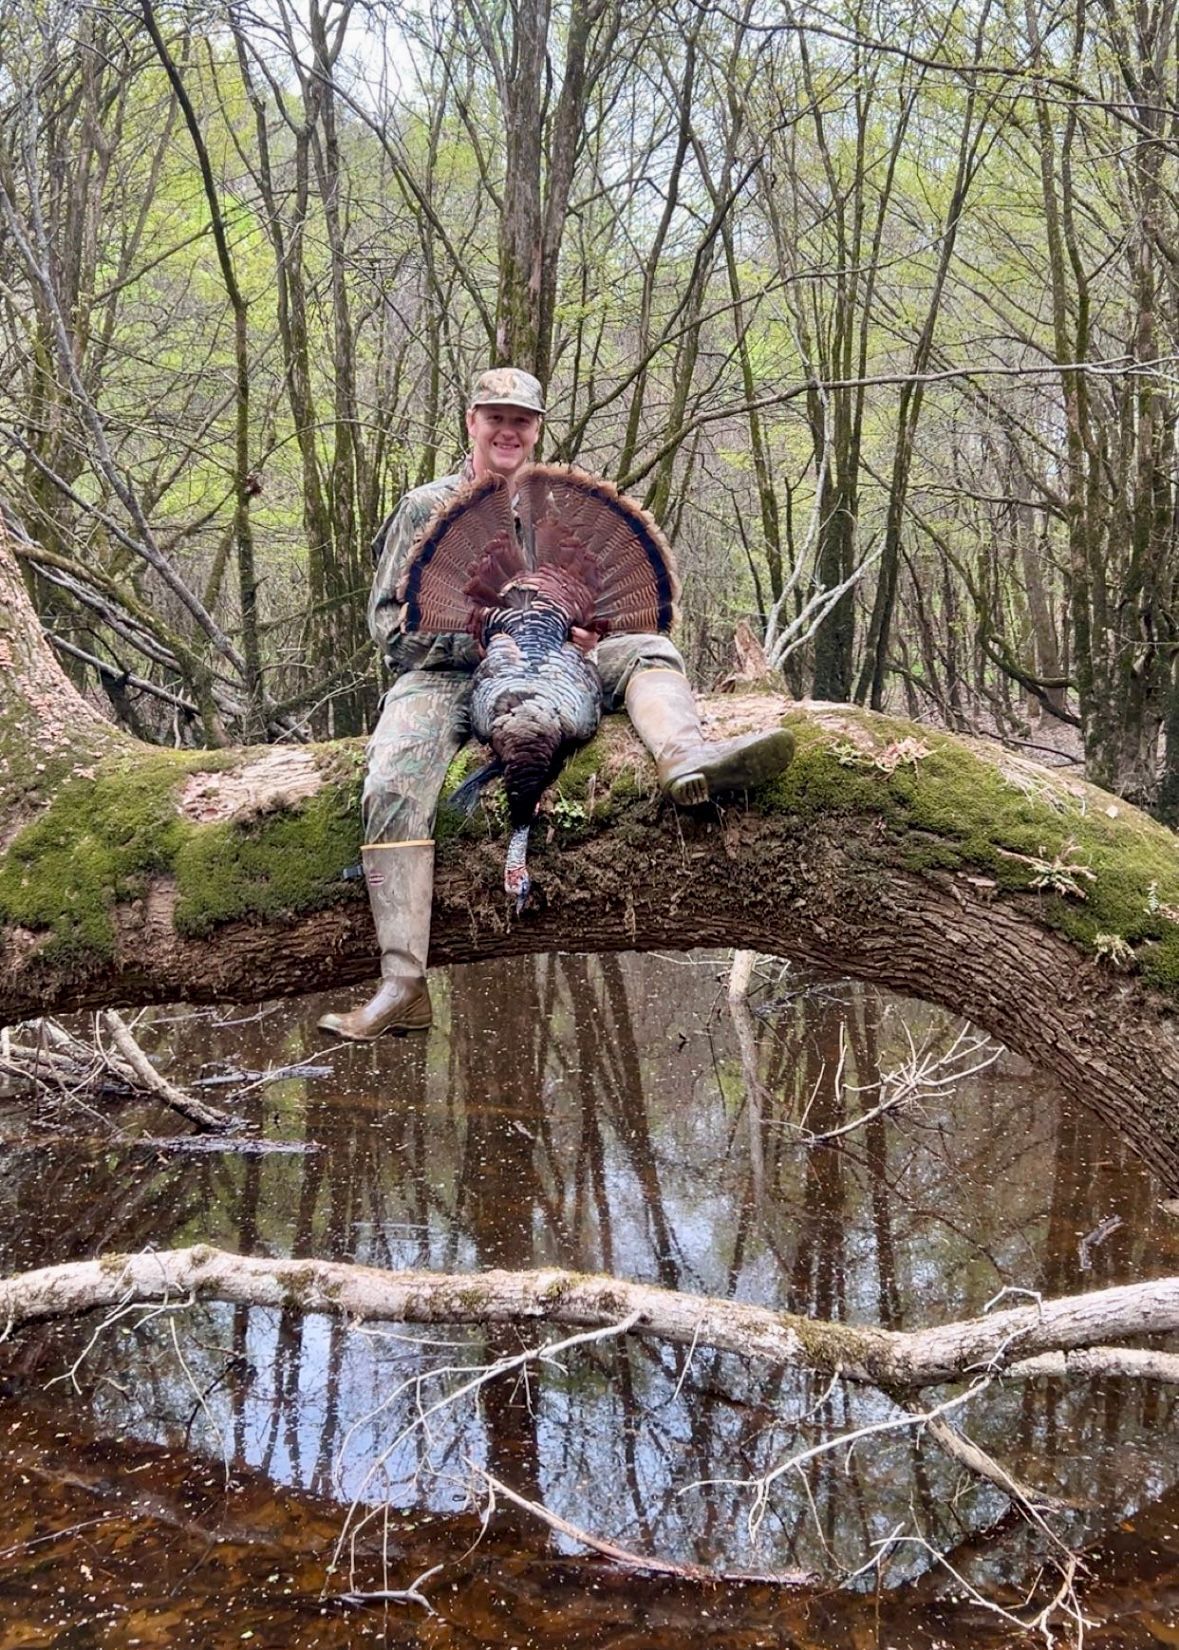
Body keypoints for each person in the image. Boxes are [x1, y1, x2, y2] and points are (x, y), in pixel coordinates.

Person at [317, 368, 795, 1040]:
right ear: (471, 423)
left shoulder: (558, 511)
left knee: (646, 652)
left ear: (537, 429)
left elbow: (600, 607)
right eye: (495, 418)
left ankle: (687, 760)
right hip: (449, 674)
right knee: (393, 779)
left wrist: (584, 632)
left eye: (522, 420)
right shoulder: (425, 507)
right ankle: (402, 984)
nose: (508, 431)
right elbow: (387, 625)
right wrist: (482, 638)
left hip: (554, 668)